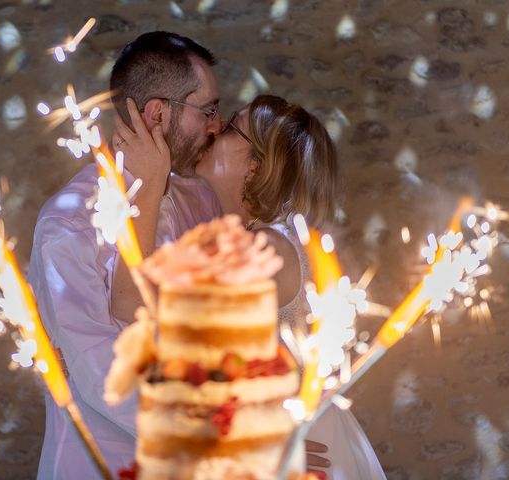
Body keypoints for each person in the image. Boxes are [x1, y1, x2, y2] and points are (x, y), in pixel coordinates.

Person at [28, 32, 223, 479]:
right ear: (157, 115)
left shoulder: (199, 201)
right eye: (208, 110)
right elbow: (99, 371)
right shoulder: (68, 223)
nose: (216, 125)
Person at [195, 94, 386, 479]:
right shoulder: (273, 239)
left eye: (231, 126)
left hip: (291, 454)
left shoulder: (264, 248)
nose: (213, 129)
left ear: (256, 167)